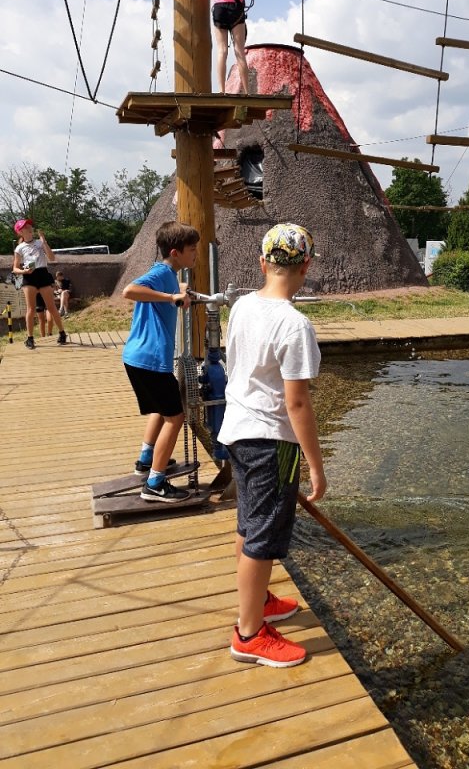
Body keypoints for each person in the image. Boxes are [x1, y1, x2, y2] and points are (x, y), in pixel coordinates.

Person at [218, 222, 327, 668]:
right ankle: (249, 634)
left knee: (249, 524)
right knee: (262, 536)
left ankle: (259, 599)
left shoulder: (243, 305)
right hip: (272, 443)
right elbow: (296, 403)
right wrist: (316, 466)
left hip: (237, 430)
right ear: (306, 266)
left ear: (262, 264)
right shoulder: (295, 325)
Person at [122, 221, 199, 503]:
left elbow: (171, 287)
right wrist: (171, 297)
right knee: (175, 418)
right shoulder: (160, 273)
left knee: (161, 408)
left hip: (138, 357)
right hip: (150, 359)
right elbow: (129, 291)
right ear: (176, 252)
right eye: (192, 250)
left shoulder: (168, 274)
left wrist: (180, 289)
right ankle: (154, 483)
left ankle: (146, 459)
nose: (196, 254)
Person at [12, 219, 67, 349]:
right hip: (29, 276)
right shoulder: (19, 248)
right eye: (26, 226)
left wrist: (44, 241)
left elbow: (52, 258)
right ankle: (30, 338)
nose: (29, 227)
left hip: (42, 274)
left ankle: (62, 333)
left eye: (29, 225)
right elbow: (15, 268)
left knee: (51, 307)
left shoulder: (39, 243)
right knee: (31, 309)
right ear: (20, 232)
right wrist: (24, 271)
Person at [211, 0, 263, 94]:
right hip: (235, 7)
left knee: (222, 50)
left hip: (219, 8)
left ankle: (221, 91)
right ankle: (246, 92)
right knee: (239, 50)